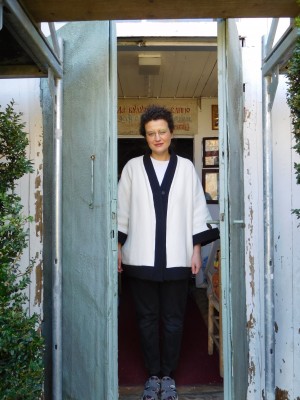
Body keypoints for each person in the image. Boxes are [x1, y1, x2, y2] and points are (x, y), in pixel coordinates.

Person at [118, 105, 219, 400]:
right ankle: (153, 376)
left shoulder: (186, 168)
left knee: (174, 319)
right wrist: (118, 249)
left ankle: (168, 376)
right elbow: (121, 211)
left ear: (172, 133)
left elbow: (197, 211)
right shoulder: (133, 169)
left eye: (162, 131)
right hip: (140, 257)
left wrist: (196, 250)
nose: (157, 137)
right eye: (151, 133)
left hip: (178, 257)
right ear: (145, 137)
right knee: (147, 319)